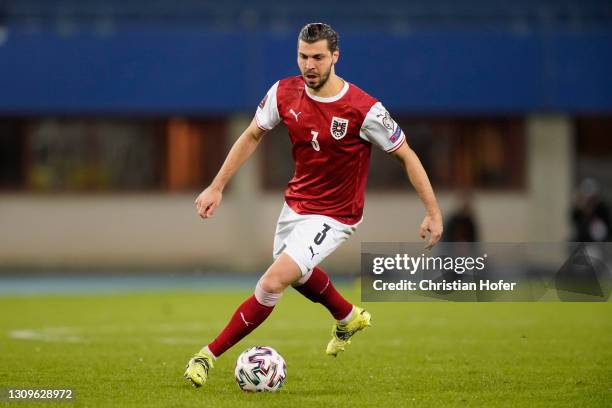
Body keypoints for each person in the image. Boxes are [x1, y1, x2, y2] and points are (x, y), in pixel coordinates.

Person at [184, 22, 443, 388]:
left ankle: (206, 356)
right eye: (303, 57)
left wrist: (432, 212)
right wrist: (216, 186)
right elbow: (253, 134)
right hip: (296, 205)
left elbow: (407, 155)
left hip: (336, 214)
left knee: (273, 281)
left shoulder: (364, 109)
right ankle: (347, 315)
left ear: (335, 57)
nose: (310, 65)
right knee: (298, 273)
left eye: (318, 57)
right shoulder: (284, 93)